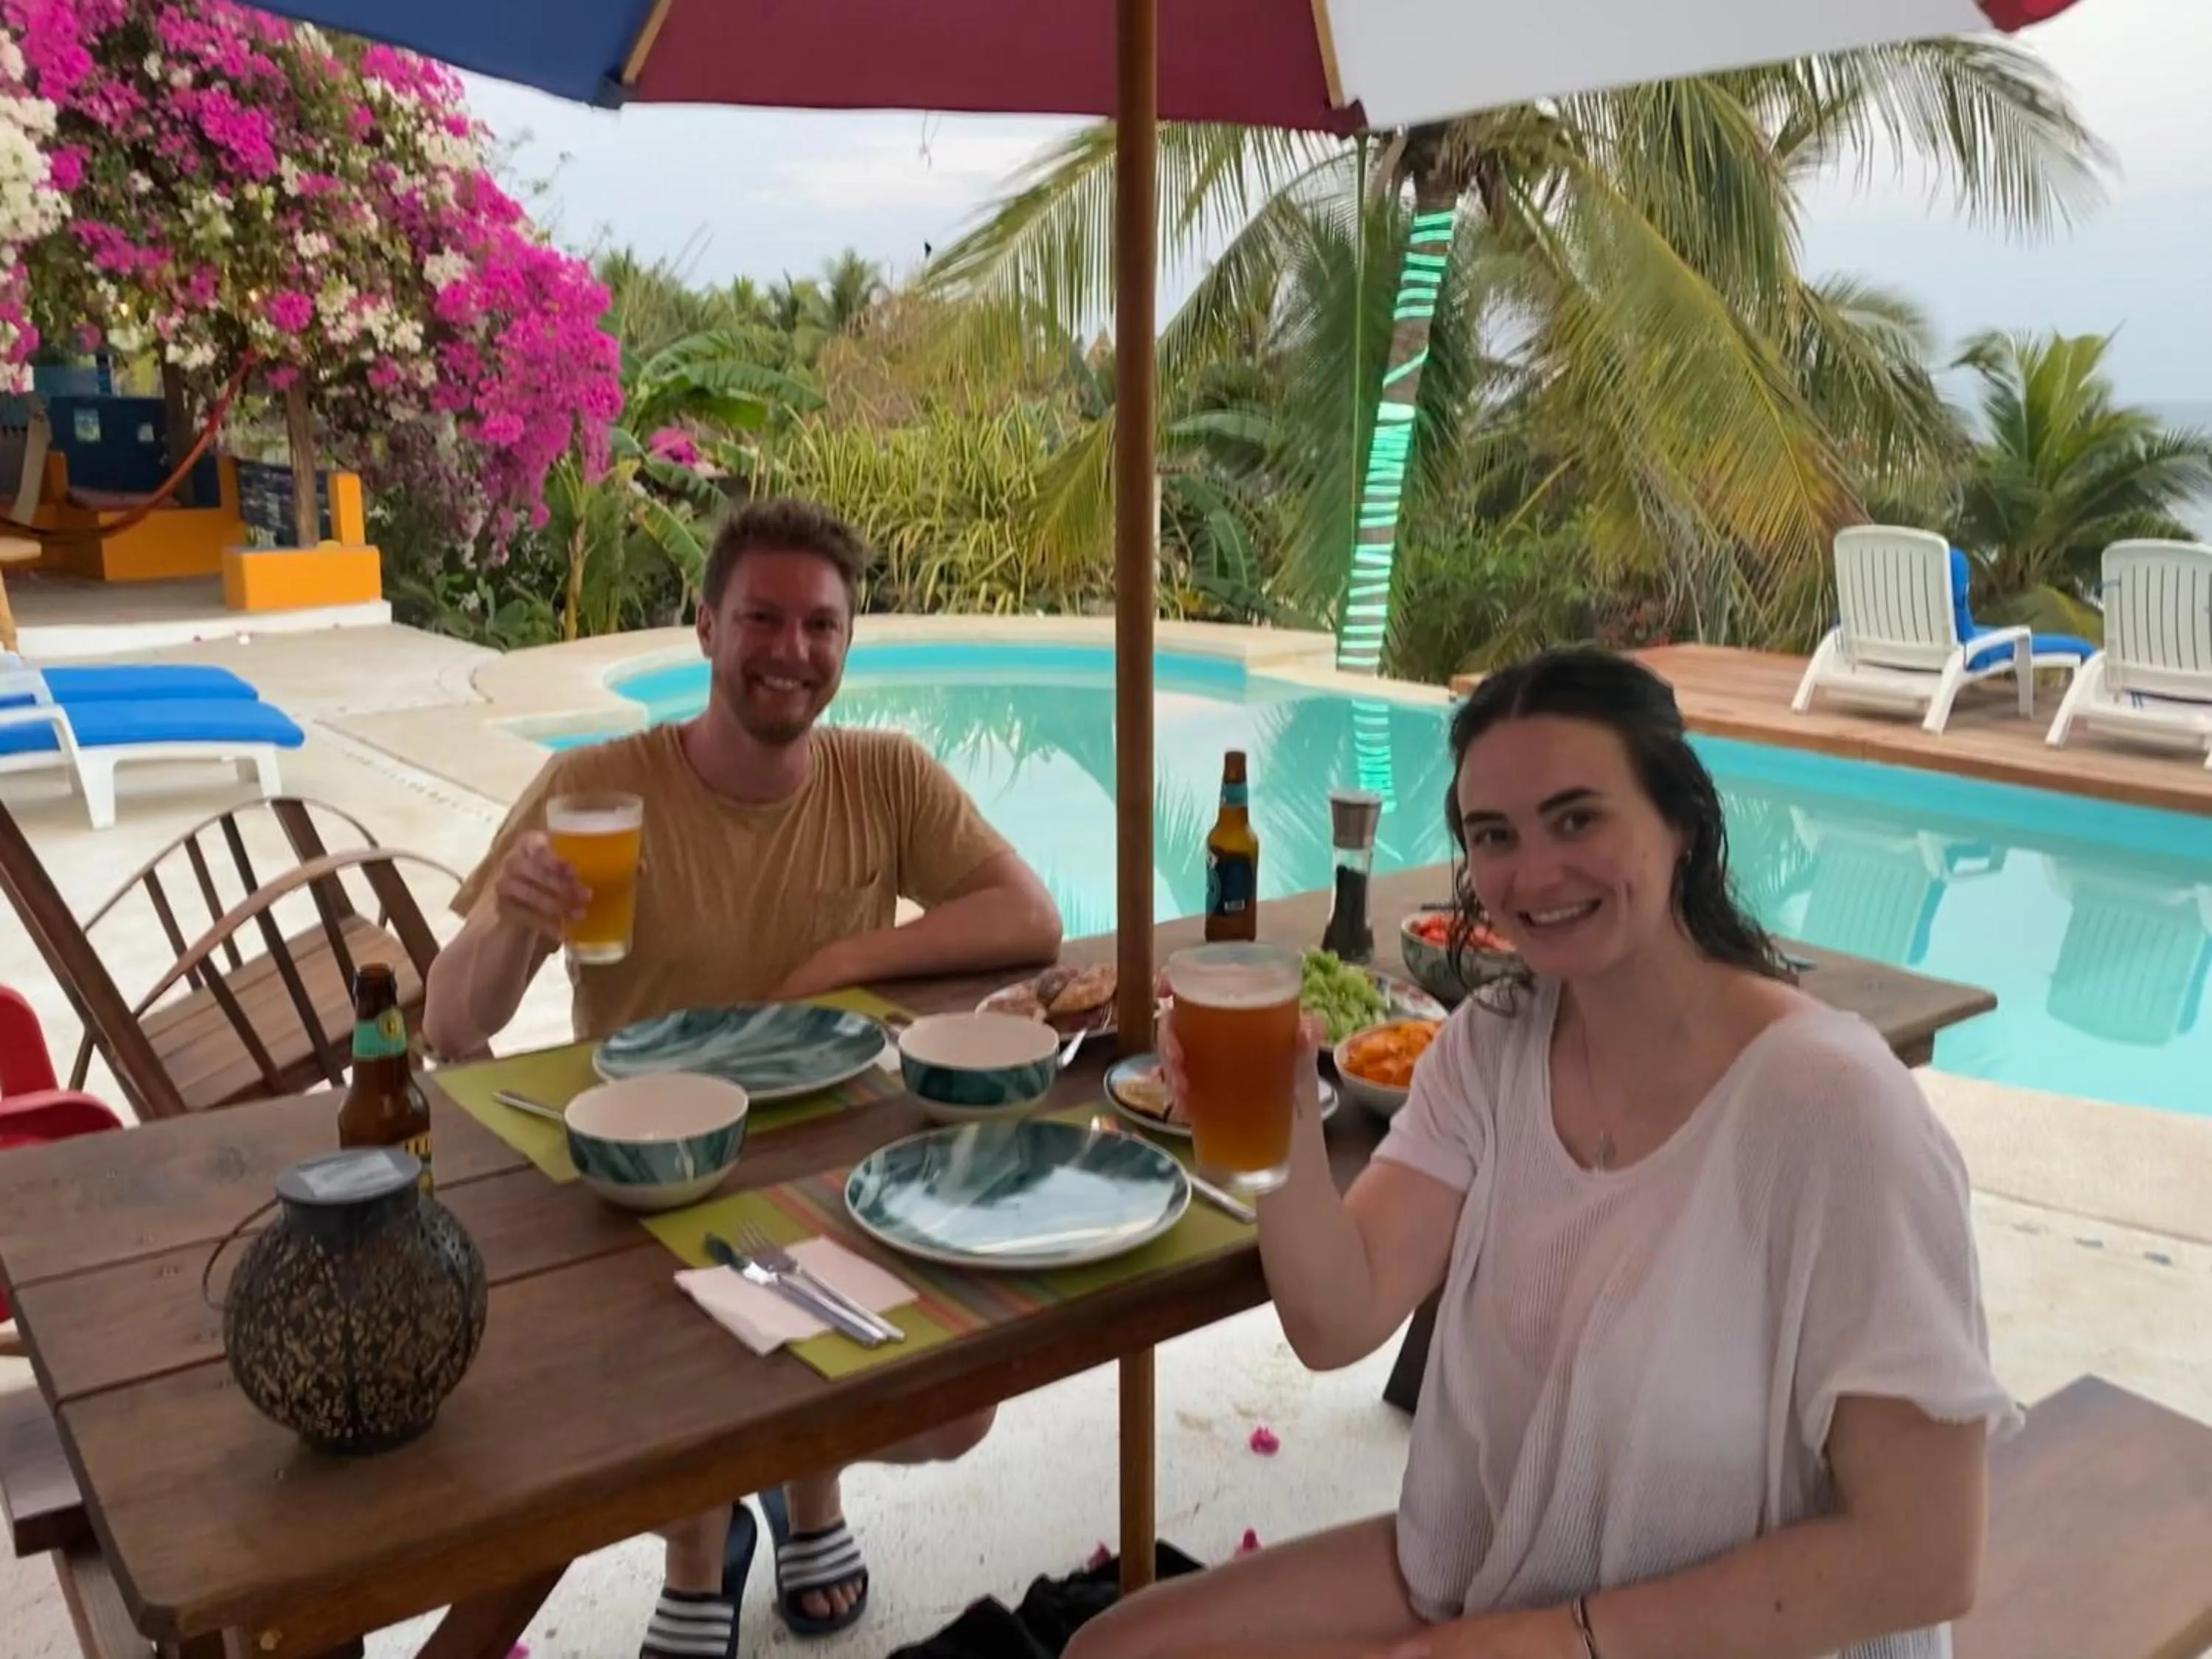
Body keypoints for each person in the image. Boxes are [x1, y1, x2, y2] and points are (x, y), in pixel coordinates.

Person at [1073, 647, 2017, 1659]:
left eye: (1578, 818)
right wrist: (1284, 1120)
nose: (1532, 872)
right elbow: (1335, 1316)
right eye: (1496, 835)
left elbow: (1925, 1553)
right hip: (1493, 1575)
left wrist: (1572, 1640)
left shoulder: (1834, 1109)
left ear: (1683, 824)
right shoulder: (1492, 1044)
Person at [425, 497, 1063, 1659]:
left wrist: (842, 959)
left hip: (830, 1164)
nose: (792, 650)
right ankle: (701, 1548)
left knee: (958, 1410)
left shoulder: (884, 776)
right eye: (762, 616)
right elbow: (451, 1020)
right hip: (642, 1171)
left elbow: (1031, 914)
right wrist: (519, 920)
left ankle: (794, 1476)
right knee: (683, 1389)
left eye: (821, 624)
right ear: (707, 626)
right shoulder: (597, 782)